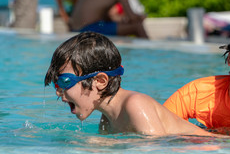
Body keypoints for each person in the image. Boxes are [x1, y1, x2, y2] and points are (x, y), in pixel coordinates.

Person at [44, 32, 214, 136]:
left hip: (211, 148)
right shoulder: (107, 119)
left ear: (100, 81)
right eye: (57, 85)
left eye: (65, 82)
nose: (59, 92)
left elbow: (158, 152)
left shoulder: (136, 105)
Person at [69, 0, 148, 38]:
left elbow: (99, 14)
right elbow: (132, 18)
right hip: (88, 29)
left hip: (74, 30)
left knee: (118, 26)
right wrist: (141, 17)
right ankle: (149, 50)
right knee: (136, 26)